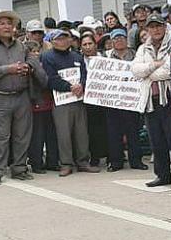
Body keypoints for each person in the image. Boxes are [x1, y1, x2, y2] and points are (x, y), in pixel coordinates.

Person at [0, 9, 47, 186]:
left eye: (9, 23)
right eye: (2, 23)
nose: (7, 26)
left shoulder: (21, 46)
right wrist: (7, 69)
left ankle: (19, 168)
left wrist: (28, 68)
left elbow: (31, 63)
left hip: (22, 96)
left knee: (22, 135)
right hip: (0, 97)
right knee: (1, 136)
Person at [133, 14, 171, 189]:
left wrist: (148, 73)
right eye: (152, 27)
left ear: (164, 27)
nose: (155, 30)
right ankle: (162, 175)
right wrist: (153, 66)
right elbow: (135, 70)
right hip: (150, 100)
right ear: (147, 29)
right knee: (156, 141)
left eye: (158, 26)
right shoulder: (143, 48)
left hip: (169, 100)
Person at [41, 30, 99, 177]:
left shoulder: (77, 56)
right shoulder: (47, 57)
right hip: (61, 101)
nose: (63, 41)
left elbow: (85, 74)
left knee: (82, 132)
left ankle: (83, 161)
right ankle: (66, 163)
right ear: (53, 42)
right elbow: (50, 79)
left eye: (65, 38)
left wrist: (82, 85)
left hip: (79, 99)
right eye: (59, 39)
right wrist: (69, 87)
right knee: (63, 133)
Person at [105, 28, 147, 172]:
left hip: (131, 100)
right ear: (111, 41)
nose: (119, 40)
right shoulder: (106, 57)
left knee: (133, 132)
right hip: (113, 101)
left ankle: (136, 160)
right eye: (116, 38)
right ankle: (116, 161)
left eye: (121, 37)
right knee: (113, 132)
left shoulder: (136, 55)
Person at [26, 40, 59, 174]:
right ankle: (36, 163)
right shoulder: (28, 67)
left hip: (48, 103)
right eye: (32, 51)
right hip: (34, 106)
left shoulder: (45, 64)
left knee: (51, 135)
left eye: (37, 51)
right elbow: (41, 81)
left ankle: (52, 162)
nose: (36, 54)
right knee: (37, 137)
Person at [79, 33, 108, 167]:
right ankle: (95, 157)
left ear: (95, 45)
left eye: (90, 43)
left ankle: (111, 156)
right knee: (92, 129)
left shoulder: (106, 58)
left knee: (109, 128)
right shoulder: (79, 61)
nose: (88, 47)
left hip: (108, 99)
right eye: (84, 44)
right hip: (89, 100)